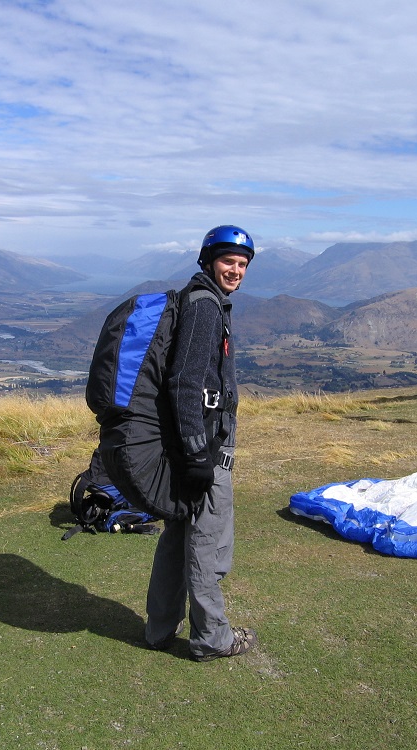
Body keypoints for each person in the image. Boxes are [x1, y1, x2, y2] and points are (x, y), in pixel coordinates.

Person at [144, 225, 258, 662]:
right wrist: (197, 455)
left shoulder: (203, 300)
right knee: (207, 543)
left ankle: (158, 630)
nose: (236, 270)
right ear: (208, 260)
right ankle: (212, 637)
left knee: (177, 539)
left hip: (192, 449)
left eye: (243, 263)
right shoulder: (205, 306)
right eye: (228, 261)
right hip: (204, 453)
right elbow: (185, 384)